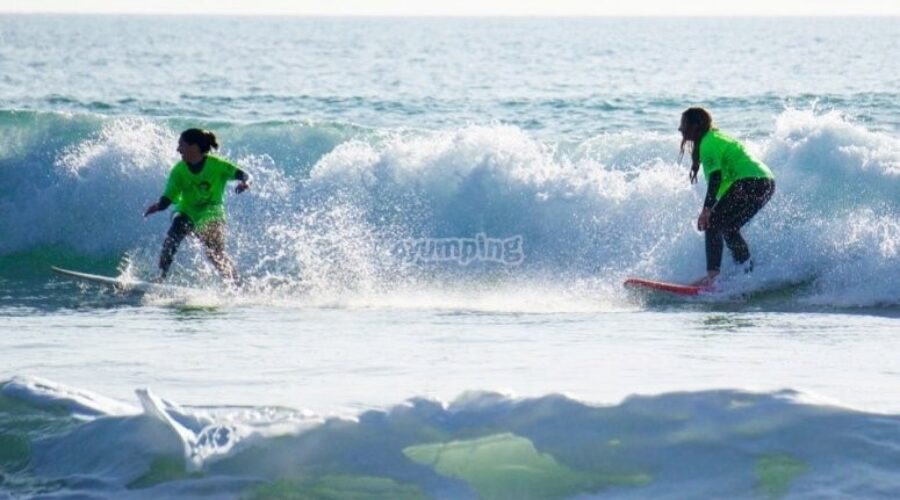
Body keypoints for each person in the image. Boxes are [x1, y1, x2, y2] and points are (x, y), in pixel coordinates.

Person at [678, 107, 775, 287]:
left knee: (713, 222)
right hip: (764, 182)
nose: (680, 129)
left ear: (696, 125)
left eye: (684, 124)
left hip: (751, 180)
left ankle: (712, 277)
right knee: (729, 227)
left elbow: (715, 178)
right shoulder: (713, 138)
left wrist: (707, 210)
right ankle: (746, 275)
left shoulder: (709, 142)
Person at [144, 128, 251, 283]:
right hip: (186, 211)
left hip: (212, 213)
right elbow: (168, 198)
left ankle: (236, 283)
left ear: (193, 147)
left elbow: (246, 176)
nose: (178, 149)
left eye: (181, 145)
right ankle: (161, 277)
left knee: (215, 253)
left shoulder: (217, 165)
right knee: (172, 238)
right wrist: (158, 206)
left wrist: (245, 183)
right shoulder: (179, 171)